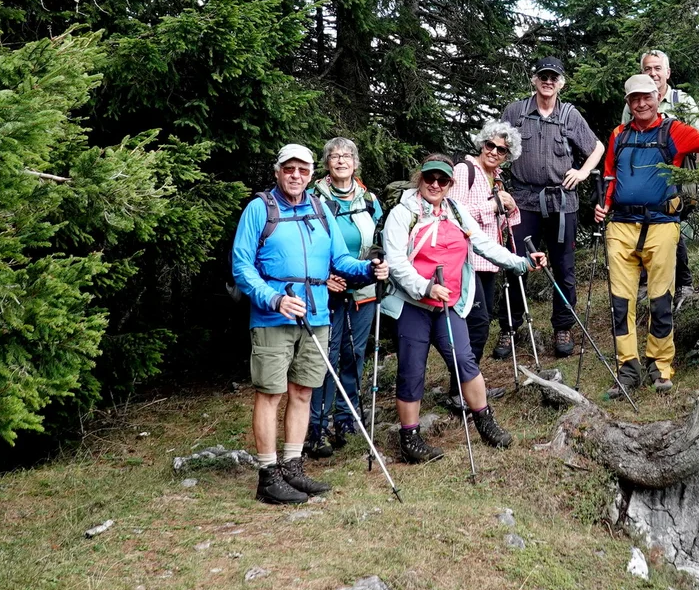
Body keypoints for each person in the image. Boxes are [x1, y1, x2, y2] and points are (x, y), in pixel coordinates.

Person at [230, 143, 388, 504]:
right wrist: (274, 298)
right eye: (289, 169)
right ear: (277, 172)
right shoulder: (259, 209)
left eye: (302, 170)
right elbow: (241, 266)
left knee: (302, 392)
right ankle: (268, 476)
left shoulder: (320, 209)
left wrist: (368, 270)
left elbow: (340, 259)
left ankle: (293, 467)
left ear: (311, 173)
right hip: (273, 315)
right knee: (270, 393)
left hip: (316, 314)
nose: (296, 176)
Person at [595, 76, 699, 394]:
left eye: (646, 98)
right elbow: (611, 176)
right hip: (621, 227)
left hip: (662, 224)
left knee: (660, 300)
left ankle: (660, 367)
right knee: (620, 302)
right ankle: (627, 369)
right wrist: (603, 205)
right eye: (634, 99)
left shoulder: (674, 131)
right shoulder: (618, 135)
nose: (640, 104)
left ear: (657, 97)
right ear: (628, 104)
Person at [380, 156, 544, 463]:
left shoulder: (456, 212)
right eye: (430, 178)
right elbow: (396, 263)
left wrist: (521, 262)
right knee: (412, 369)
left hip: (449, 303)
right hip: (413, 304)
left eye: (442, 181)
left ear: (449, 185)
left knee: (465, 361)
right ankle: (410, 438)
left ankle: (485, 422)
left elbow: (483, 243)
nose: (435, 185)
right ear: (421, 179)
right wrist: (426, 287)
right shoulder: (403, 214)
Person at [498, 57, 603, 357]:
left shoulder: (570, 115)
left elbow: (596, 147)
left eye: (553, 77)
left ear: (561, 83)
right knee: (516, 264)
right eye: (543, 76)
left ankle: (563, 326)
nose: (548, 81)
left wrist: (582, 173)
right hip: (522, 201)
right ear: (534, 79)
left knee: (564, 266)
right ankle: (509, 327)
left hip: (562, 202)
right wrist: (497, 184)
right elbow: (496, 147)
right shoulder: (515, 112)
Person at [307, 137, 384, 459]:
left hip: (363, 290)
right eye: (334, 156)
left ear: (355, 163)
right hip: (327, 290)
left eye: (347, 156)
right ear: (326, 163)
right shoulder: (312, 198)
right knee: (326, 357)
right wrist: (324, 276)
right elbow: (306, 245)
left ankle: (347, 420)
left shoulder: (369, 198)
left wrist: (377, 265)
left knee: (354, 355)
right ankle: (317, 426)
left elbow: (379, 240)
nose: (341, 161)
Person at [451, 120, 522, 365]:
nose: (493, 151)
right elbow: (454, 216)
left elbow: (500, 226)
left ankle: (468, 385)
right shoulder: (464, 170)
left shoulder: (497, 179)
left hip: (489, 262)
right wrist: (491, 206)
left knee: (481, 323)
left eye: (501, 149)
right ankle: (463, 387)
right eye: (489, 145)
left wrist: (510, 209)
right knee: (477, 324)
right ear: (482, 144)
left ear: (507, 155)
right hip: (466, 262)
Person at [640, 49, 699, 301]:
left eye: (657, 68)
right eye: (647, 69)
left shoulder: (683, 102)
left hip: (677, 181)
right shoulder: (635, 102)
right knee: (644, 226)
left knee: (669, 227)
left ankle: (683, 283)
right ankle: (650, 283)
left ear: (667, 72)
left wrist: (686, 179)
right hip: (645, 181)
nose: (653, 73)